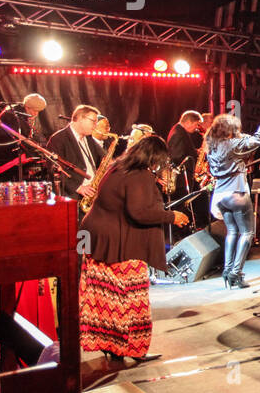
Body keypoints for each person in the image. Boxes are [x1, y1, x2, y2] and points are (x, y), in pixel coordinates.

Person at [78, 136, 189, 361]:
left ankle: (112, 345)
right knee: (133, 299)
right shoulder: (139, 176)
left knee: (106, 297)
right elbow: (139, 212)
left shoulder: (117, 167)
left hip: (98, 239)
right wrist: (172, 216)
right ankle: (136, 349)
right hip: (120, 244)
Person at [204, 107, 260, 288]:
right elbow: (258, 139)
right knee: (247, 232)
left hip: (220, 195)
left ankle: (227, 271)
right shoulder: (232, 145)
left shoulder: (212, 147)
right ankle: (236, 272)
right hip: (236, 193)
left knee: (232, 232)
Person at [46, 104, 104, 204]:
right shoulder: (58, 139)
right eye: (93, 121)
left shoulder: (89, 138)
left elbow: (104, 158)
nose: (95, 125)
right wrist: (79, 188)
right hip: (72, 196)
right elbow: (54, 170)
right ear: (80, 118)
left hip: (91, 193)